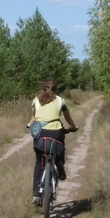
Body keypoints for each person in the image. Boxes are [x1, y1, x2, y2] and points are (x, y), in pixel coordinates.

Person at [26, 79, 77, 207]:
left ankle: (37, 194)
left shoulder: (36, 100)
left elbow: (34, 117)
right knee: (59, 148)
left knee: (39, 162)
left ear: (43, 89)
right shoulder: (60, 101)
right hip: (56, 133)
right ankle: (60, 166)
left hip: (40, 134)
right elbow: (67, 117)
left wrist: (29, 124)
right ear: (55, 89)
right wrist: (73, 126)